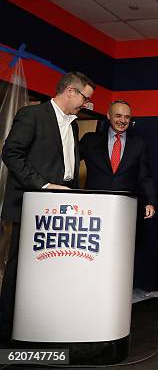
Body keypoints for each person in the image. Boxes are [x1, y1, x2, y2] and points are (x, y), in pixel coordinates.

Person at [0, 71, 95, 341]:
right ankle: (7, 334)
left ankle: (42, 326)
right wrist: (42, 185)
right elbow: (11, 153)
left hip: (61, 208)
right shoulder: (32, 115)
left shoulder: (74, 125)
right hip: (31, 204)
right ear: (70, 92)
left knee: (53, 269)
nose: (86, 104)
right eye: (85, 98)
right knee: (20, 270)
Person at [79, 100, 156, 219]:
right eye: (118, 116)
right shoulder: (90, 140)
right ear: (109, 115)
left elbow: (145, 176)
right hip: (93, 205)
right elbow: (69, 162)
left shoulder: (139, 144)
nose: (123, 121)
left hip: (124, 207)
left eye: (127, 117)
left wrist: (150, 202)